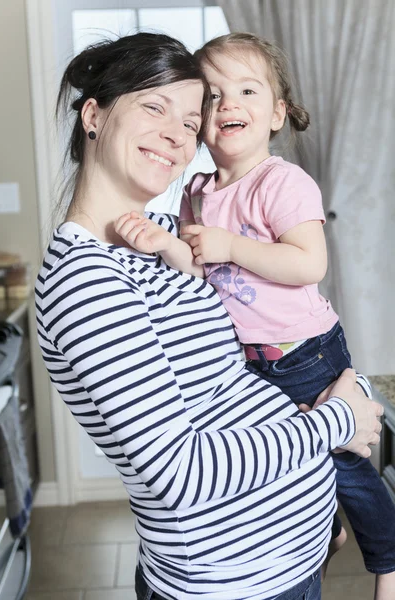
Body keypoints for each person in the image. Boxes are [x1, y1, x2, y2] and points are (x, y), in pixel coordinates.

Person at [36, 32, 383, 600]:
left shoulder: (171, 238)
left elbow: (284, 321)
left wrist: (347, 389)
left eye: (190, 121)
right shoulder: (86, 281)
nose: (176, 134)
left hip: (287, 557)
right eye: (154, 106)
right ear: (94, 116)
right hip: (235, 583)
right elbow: (181, 473)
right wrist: (336, 422)